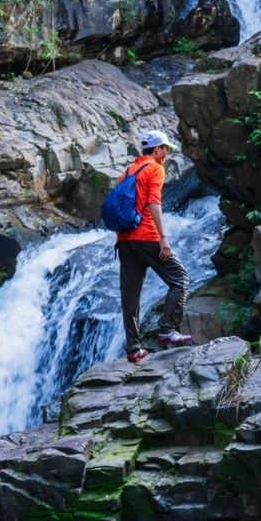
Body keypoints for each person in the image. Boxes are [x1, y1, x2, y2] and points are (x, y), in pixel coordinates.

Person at [116, 130, 192, 365]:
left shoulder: (127, 171)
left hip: (124, 240)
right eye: (165, 149)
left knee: (130, 295)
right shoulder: (155, 169)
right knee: (180, 279)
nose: (167, 154)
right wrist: (163, 237)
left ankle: (133, 349)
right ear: (157, 149)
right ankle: (167, 329)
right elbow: (153, 203)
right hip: (147, 236)